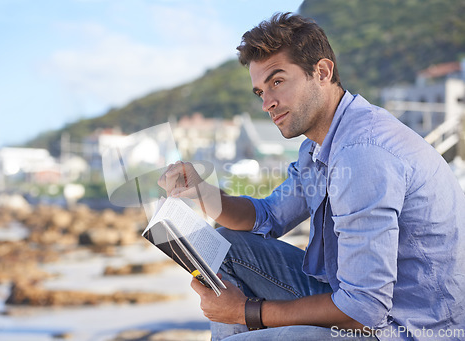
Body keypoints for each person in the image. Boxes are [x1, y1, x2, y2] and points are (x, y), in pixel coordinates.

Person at [158, 12, 465, 341]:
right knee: (222, 244)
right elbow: (268, 215)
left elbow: (364, 309)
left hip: (406, 329)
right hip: (364, 307)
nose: (267, 103)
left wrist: (245, 311)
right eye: (260, 91)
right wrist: (201, 190)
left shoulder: (362, 152)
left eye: (277, 81)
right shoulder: (319, 148)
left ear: (322, 72)